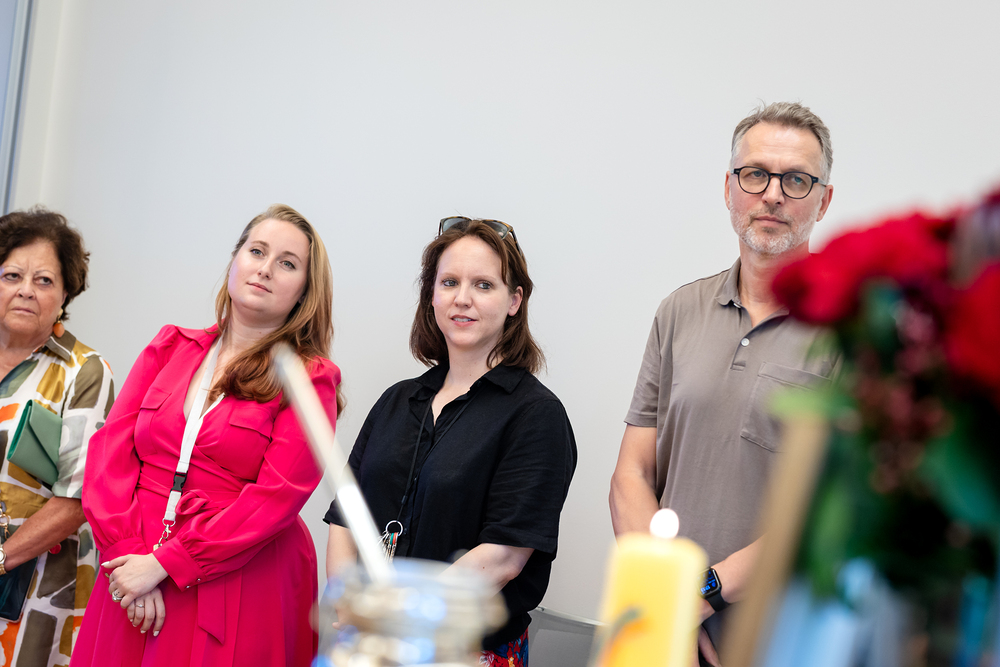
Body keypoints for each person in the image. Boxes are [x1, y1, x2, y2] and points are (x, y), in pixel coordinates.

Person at [608, 102, 842, 664]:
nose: (773, 195)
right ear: (729, 188)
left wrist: (703, 593)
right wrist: (665, 597)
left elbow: (829, 512)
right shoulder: (679, 311)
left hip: (778, 640)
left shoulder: (846, 334)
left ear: (824, 200)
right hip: (661, 635)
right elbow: (631, 475)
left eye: (797, 180)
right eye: (755, 174)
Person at [72, 205, 343, 667]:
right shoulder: (169, 346)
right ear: (235, 260)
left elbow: (278, 497)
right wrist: (129, 559)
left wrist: (166, 564)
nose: (265, 268)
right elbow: (108, 454)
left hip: (234, 571)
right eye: (256, 251)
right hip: (131, 563)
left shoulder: (310, 377)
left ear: (304, 292)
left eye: (287, 263)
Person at [325, 217, 577, 666]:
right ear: (432, 296)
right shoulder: (396, 401)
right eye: (449, 282)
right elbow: (346, 517)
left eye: (483, 285)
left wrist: (402, 615)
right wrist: (349, 604)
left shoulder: (536, 415)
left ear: (514, 301)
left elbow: (503, 558)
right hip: (368, 642)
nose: (463, 298)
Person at [0, 208, 115, 667]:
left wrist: (0, 558)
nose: (26, 289)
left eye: (44, 280)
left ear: (66, 292)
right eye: (12, 275)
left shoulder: (85, 371)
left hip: (37, 588)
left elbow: (77, 499)